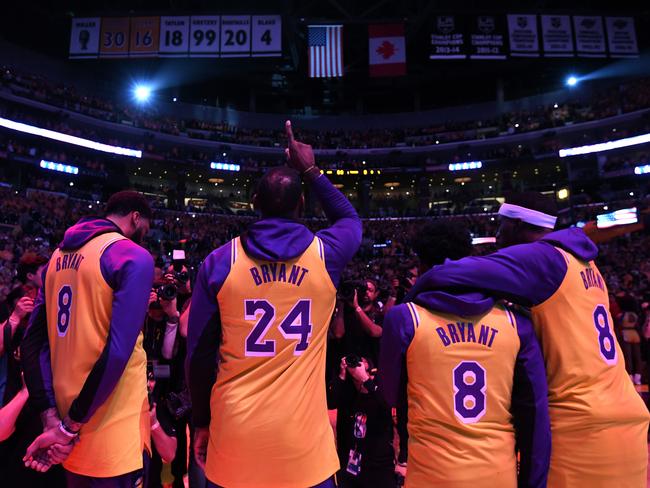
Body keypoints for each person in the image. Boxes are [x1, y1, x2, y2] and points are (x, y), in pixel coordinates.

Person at [406, 192, 650, 487]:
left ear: (517, 225)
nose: (496, 238)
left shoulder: (540, 258)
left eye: (499, 227)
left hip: (582, 426)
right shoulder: (585, 262)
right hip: (627, 416)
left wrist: (409, 305)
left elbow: (445, 274)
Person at [187, 120, 362, 488]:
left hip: (234, 437)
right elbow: (348, 218)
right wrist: (311, 170)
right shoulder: (326, 255)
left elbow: (199, 357)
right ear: (302, 203)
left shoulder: (219, 262)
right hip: (303, 449)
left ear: (253, 204)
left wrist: (201, 420)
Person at [380, 220, 550, 487]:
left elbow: (390, 394)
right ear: (469, 259)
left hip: (432, 474)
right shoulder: (517, 323)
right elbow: (534, 416)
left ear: (421, 265)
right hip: (498, 474)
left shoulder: (404, 318)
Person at [21, 190, 155, 486]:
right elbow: (118, 352)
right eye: (145, 227)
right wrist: (69, 427)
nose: (145, 234)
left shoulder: (56, 257)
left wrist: (50, 417)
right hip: (111, 433)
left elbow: (31, 344)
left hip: (63, 430)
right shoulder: (132, 255)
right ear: (135, 217)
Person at [327, 355, 396, 488]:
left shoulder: (380, 392)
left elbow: (386, 407)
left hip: (378, 467)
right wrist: (342, 374)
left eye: (362, 363)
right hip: (351, 466)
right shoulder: (349, 394)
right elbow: (331, 402)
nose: (357, 365)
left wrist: (365, 379)